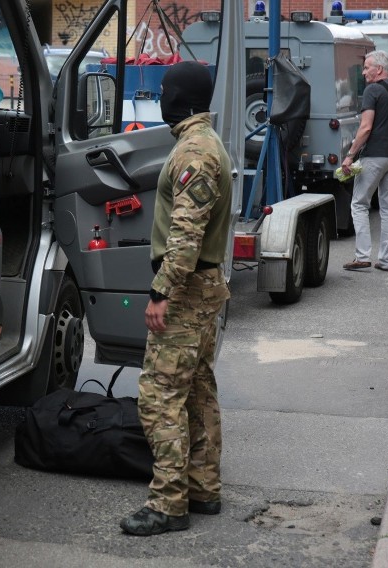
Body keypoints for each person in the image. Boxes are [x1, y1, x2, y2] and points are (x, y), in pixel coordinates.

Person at [119, 61, 232, 536]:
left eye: (165, 89)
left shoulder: (194, 153)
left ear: (181, 98)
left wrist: (160, 293)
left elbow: (186, 235)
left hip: (186, 289)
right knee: (197, 389)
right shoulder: (201, 144)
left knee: (159, 395)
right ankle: (202, 488)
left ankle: (169, 503)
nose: (159, 95)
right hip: (203, 285)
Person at [341, 51, 388, 273]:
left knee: (359, 204)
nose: (363, 72)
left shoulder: (372, 90)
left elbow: (366, 127)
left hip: (373, 157)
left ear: (379, 69)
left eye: (367, 67)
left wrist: (351, 155)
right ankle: (386, 260)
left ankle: (362, 256)